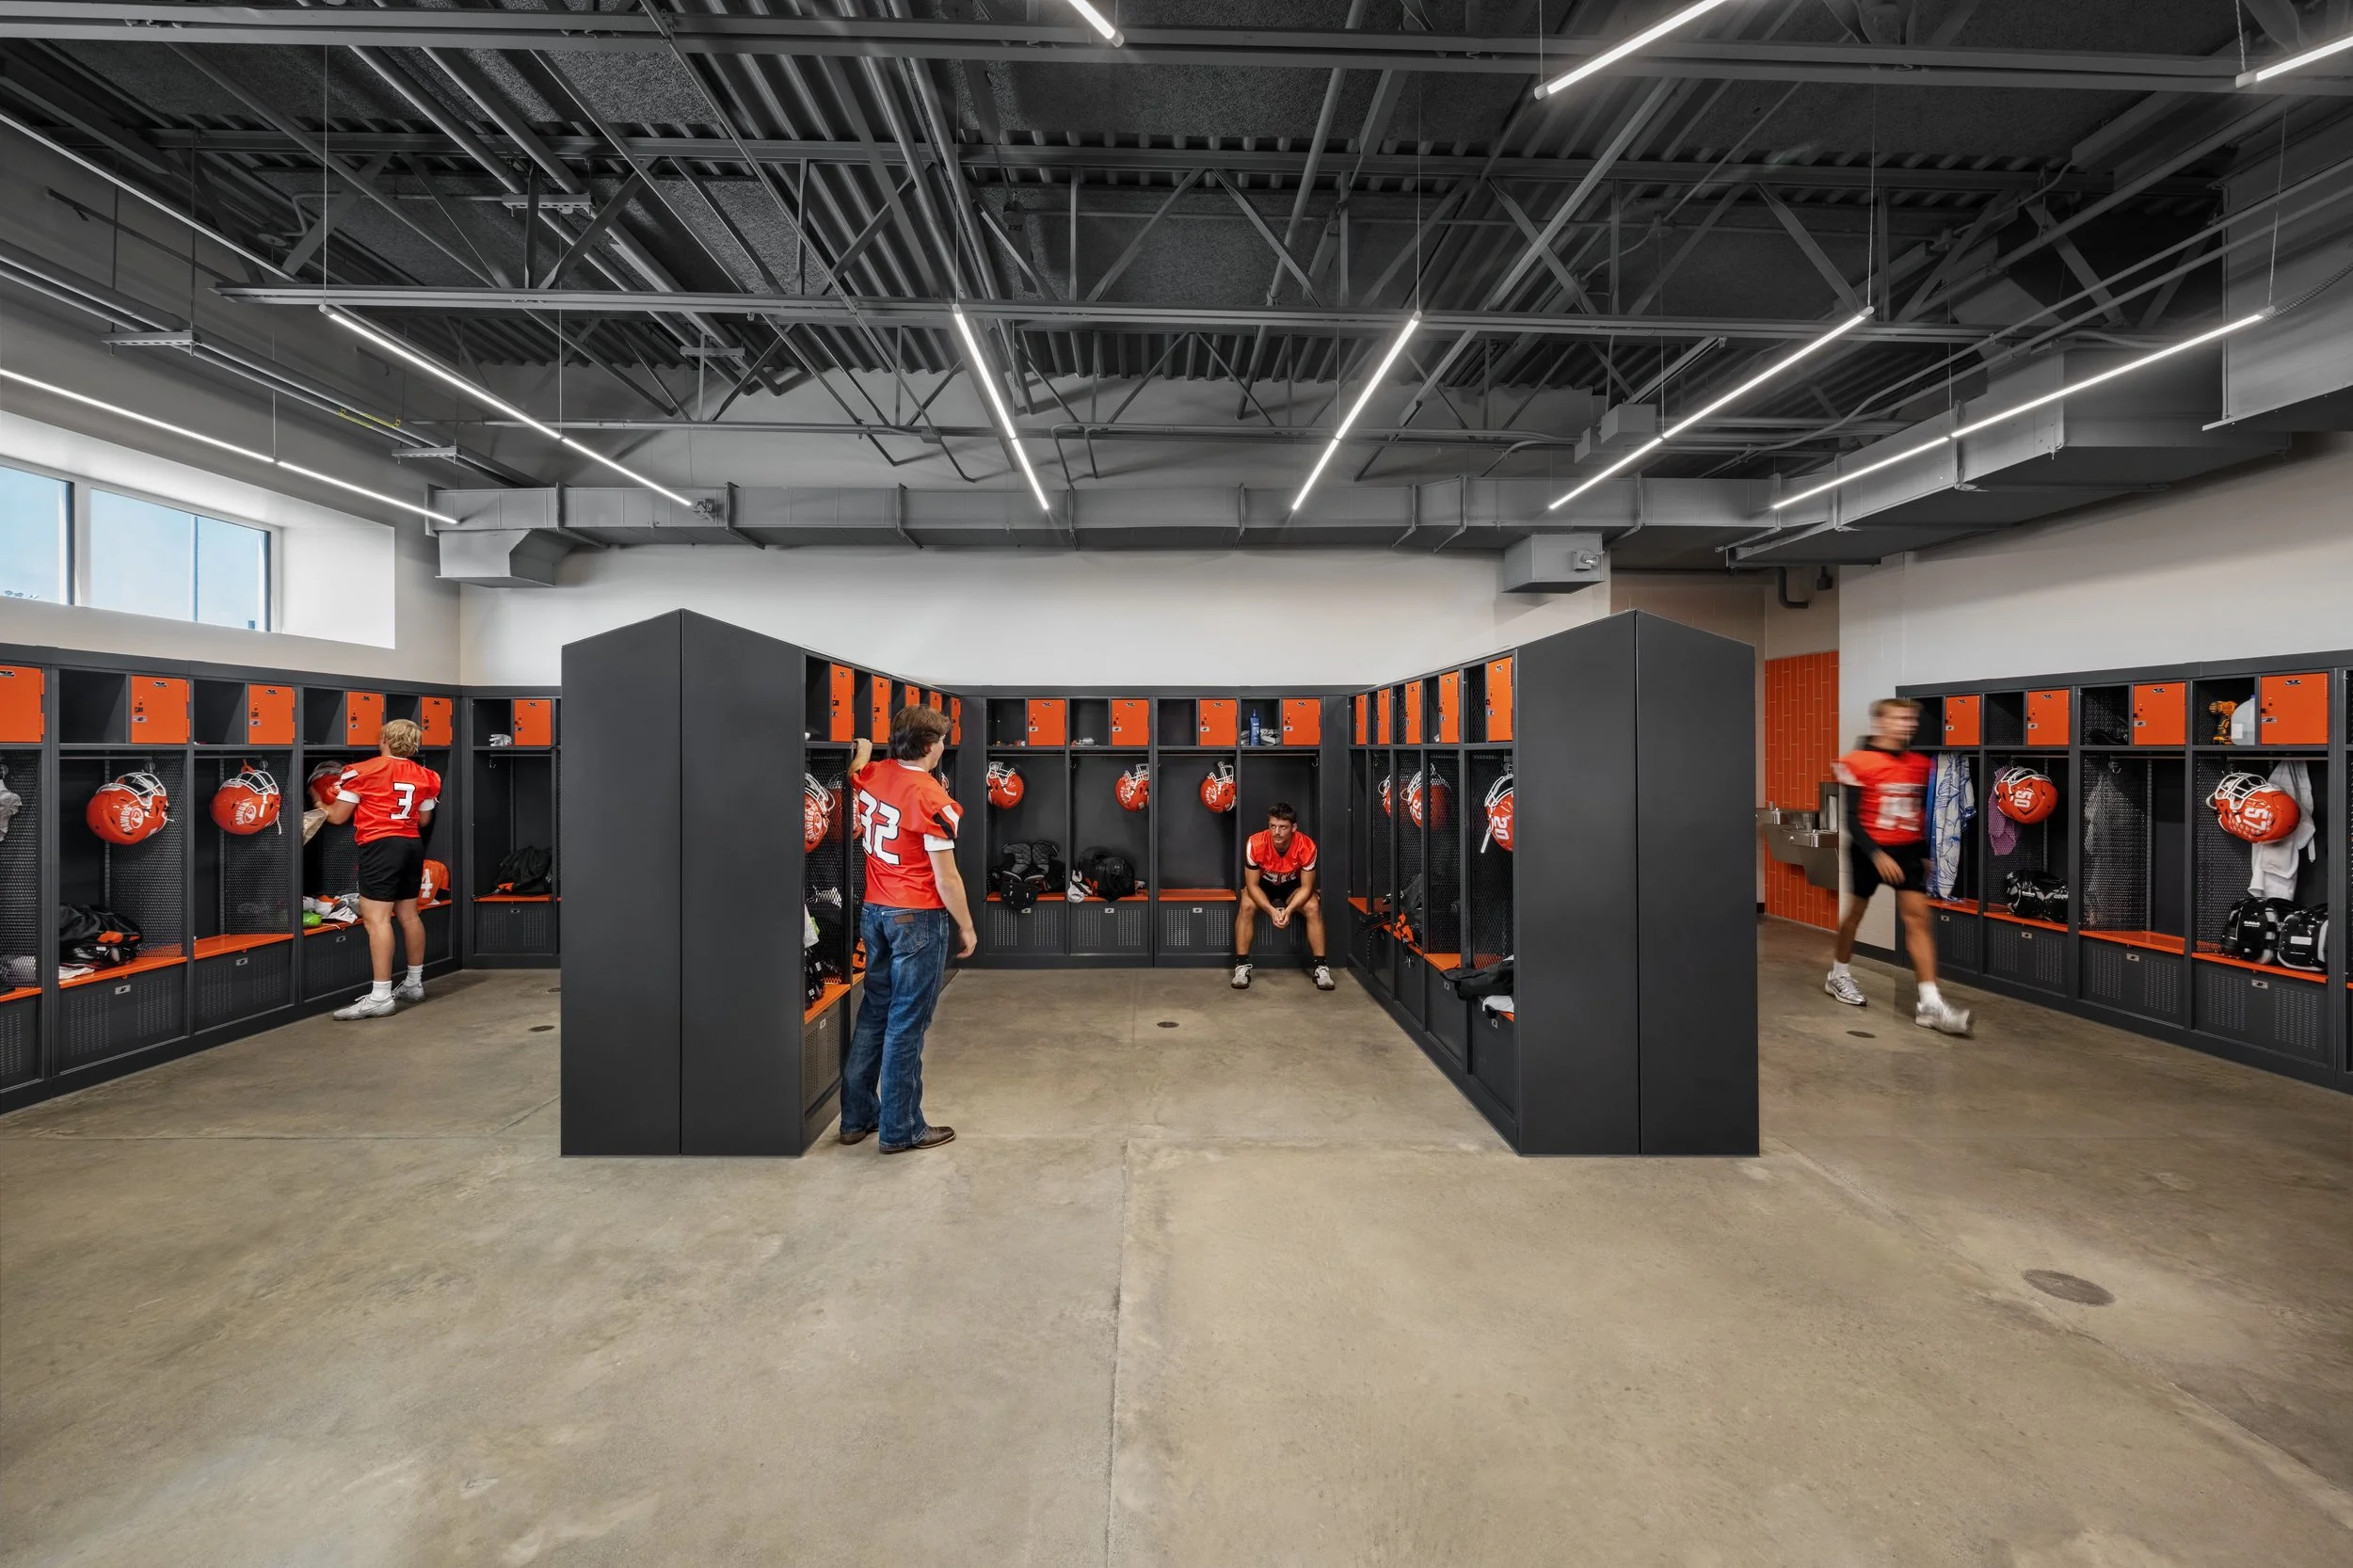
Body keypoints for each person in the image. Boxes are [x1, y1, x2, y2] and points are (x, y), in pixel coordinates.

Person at [839, 707, 975, 1153]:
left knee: (875, 1012)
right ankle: (902, 1129)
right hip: (916, 917)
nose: (943, 748)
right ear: (929, 746)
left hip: (875, 912)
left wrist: (861, 752)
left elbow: (859, 770)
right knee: (907, 1023)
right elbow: (947, 878)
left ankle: (857, 1119)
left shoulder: (875, 773)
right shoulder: (930, 797)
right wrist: (967, 926)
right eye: (941, 741)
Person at [1828, 697, 1973, 1035]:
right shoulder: (1856, 762)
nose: (1907, 724)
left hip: (1906, 851)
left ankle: (1930, 1003)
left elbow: (1917, 812)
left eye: (1910, 719)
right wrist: (1877, 854)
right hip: (1869, 850)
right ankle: (1839, 974)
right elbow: (1851, 818)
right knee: (1855, 915)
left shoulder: (1920, 764)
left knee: (1919, 920)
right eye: (1899, 718)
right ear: (1880, 722)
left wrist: (1922, 852)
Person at [326, 717, 441, 1020]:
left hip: (380, 846)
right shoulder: (427, 775)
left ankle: (380, 997)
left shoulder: (361, 771)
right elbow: (425, 819)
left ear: (384, 740)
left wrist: (318, 802)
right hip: (411, 844)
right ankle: (414, 984)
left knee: (376, 920)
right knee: (408, 913)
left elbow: (338, 817)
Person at [1231, 802, 1336, 992]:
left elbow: (1306, 886)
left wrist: (1288, 910)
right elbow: (1252, 885)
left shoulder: (1307, 846)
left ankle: (1321, 967)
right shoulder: (1255, 843)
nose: (1277, 832)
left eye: (1283, 827)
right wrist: (1272, 911)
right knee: (1246, 904)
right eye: (1273, 826)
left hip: (1292, 886)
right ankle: (1241, 966)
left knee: (1312, 906)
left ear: (1293, 828)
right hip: (1264, 885)